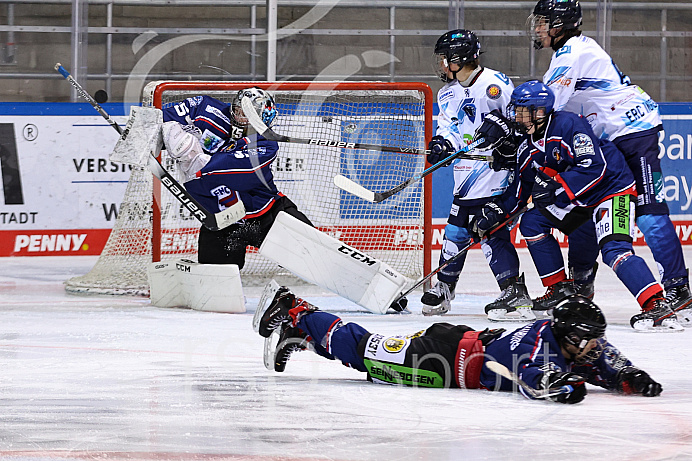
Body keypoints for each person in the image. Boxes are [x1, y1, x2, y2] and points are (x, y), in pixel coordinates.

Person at [526, 0, 692, 325]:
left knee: (648, 210)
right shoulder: (574, 50)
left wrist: (510, 127)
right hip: (615, 134)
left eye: (543, 22)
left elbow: (547, 103)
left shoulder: (571, 53)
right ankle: (581, 282)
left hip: (631, 131)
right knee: (589, 206)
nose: (537, 28)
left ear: (559, 24)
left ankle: (677, 287)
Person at [472, 80, 683, 331]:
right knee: (531, 222)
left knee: (615, 249)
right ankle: (559, 288)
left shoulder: (568, 124)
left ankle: (656, 305)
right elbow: (521, 192)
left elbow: (594, 167)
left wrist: (555, 185)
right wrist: (496, 211)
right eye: (515, 110)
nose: (516, 117)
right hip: (580, 201)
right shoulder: (527, 149)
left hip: (612, 190)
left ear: (539, 112)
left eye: (521, 111)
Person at [256, 286, 663, 403]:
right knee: (366, 353)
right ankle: (297, 313)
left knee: (368, 354)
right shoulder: (538, 347)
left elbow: (607, 363)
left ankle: (302, 332)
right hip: (440, 361)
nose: (594, 348)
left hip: (454, 346)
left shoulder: (569, 340)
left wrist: (630, 377)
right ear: (569, 337)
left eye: (595, 340)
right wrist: (570, 387)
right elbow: (538, 383)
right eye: (587, 340)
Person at [422, 29, 532, 321]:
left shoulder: (496, 84)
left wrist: (507, 135)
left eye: (445, 59)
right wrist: (443, 143)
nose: (442, 65)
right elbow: (450, 127)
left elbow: (523, 122)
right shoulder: (447, 93)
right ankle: (445, 287)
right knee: (456, 231)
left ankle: (514, 291)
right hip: (465, 175)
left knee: (490, 230)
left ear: (458, 58)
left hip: (496, 173)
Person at [160, 87, 313, 268]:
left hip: (267, 215)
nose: (242, 118)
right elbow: (160, 119)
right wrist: (158, 131)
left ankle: (285, 296)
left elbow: (235, 167)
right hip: (220, 224)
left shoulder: (266, 145)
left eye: (249, 114)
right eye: (240, 112)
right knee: (216, 283)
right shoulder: (205, 109)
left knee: (312, 253)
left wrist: (195, 159)